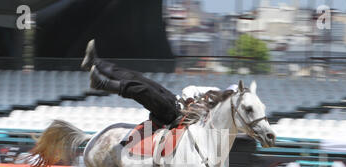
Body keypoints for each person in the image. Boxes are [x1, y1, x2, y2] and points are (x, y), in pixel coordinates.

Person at [81, 40, 235, 128]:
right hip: (173, 100)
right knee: (137, 77)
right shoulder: (214, 91)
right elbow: (190, 89)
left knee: (142, 90)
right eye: (230, 94)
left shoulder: (220, 119)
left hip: (174, 117)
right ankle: (94, 62)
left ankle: (101, 84)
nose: (228, 97)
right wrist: (190, 100)